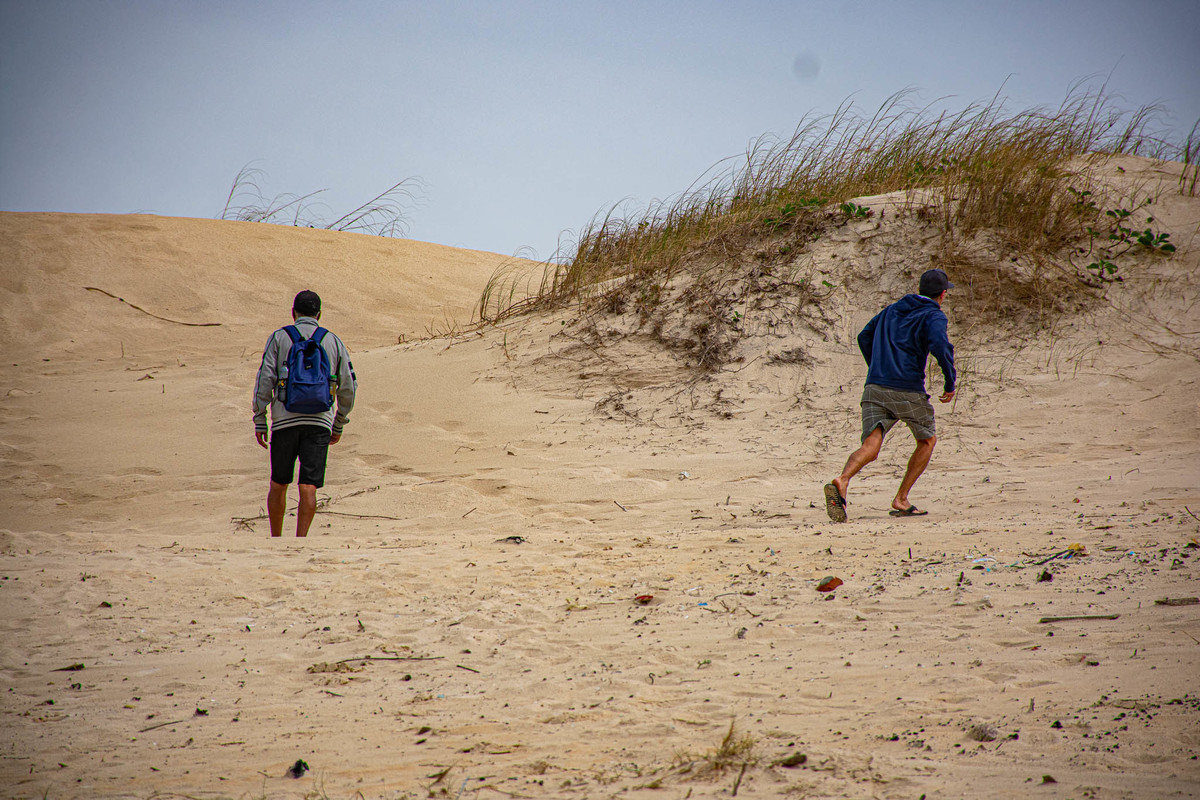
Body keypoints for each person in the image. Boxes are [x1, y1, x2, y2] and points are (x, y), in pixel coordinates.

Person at [824, 268, 956, 522]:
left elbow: (865, 336)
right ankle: (901, 499)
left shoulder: (892, 310)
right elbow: (941, 346)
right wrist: (950, 382)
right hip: (907, 389)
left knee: (870, 446)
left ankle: (842, 480)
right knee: (927, 440)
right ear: (942, 294)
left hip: (875, 386)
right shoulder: (933, 315)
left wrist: (877, 366)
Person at [253, 290, 357, 537]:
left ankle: (276, 539)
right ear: (319, 314)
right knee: (309, 487)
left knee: (279, 483)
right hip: (320, 421)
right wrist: (339, 421)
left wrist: (260, 418)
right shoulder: (333, 341)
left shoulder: (279, 338)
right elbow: (349, 386)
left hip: (284, 421)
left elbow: (265, 378)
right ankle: (301, 542)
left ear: (293, 313)